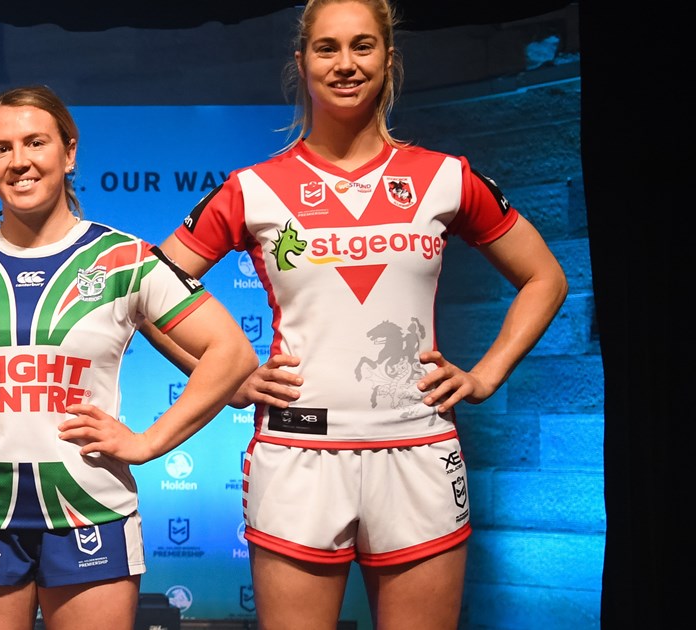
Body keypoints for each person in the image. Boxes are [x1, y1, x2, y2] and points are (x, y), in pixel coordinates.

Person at [151, 1, 569, 627]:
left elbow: (544, 277)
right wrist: (230, 382)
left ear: (389, 58)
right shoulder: (254, 188)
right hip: (297, 451)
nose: (346, 64)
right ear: (302, 62)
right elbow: (149, 292)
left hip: (419, 450)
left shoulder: (444, 178)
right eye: (327, 48)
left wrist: (484, 376)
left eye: (363, 46)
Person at [0, 85, 256, 630]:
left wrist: (147, 443)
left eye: (35, 142)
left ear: (69, 153)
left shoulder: (125, 260)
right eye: (1, 149)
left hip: (91, 512)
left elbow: (230, 353)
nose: (19, 161)